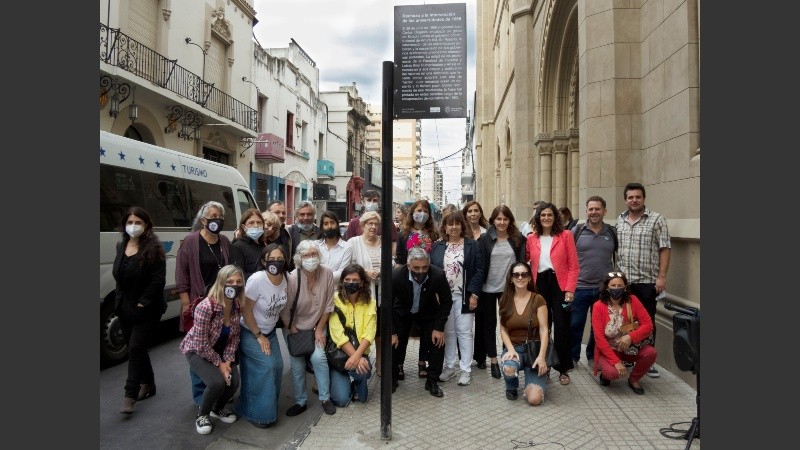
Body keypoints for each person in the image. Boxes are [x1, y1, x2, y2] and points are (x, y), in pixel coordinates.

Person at [176, 200, 231, 405]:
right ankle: (201, 398)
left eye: (219, 216)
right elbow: (181, 273)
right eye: (212, 216)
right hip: (198, 305)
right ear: (203, 220)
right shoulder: (190, 241)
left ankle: (216, 394)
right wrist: (185, 303)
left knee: (216, 344)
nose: (216, 220)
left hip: (220, 305)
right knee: (198, 348)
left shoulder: (225, 241)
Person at [113, 206, 167, 414]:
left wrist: (143, 302)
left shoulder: (154, 249)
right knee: (137, 348)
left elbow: (157, 281)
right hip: (124, 308)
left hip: (147, 309)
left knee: (135, 349)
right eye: (130, 222)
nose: (133, 226)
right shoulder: (122, 245)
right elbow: (119, 276)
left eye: (138, 223)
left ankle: (130, 395)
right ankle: (149, 384)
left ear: (146, 226)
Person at [615, 182, 671, 379]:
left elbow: (665, 248)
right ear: (626, 200)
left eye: (638, 197)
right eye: (630, 197)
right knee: (625, 321)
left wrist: (661, 277)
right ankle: (627, 356)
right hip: (624, 283)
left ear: (644, 199)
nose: (634, 200)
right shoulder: (619, 220)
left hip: (647, 281)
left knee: (647, 321)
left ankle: (647, 360)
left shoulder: (657, 220)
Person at [179, 265, 243, 434]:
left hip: (221, 350)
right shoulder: (206, 306)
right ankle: (202, 414)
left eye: (238, 282)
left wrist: (228, 360)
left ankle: (217, 408)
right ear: (221, 283)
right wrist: (220, 364)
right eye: (230, 282)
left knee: (233, 381)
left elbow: (234, 336)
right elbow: (200, 344)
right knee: (216, 382)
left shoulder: (236, 305)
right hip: (197, 350)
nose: (234, 285)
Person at [280, 240, 337, 416]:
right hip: (295, 326)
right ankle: (300, 401)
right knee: (297, 365)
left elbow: (328, 305)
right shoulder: (292, 278)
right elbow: (285, 308)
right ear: (299, 258)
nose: (311, 258)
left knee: (319, 359)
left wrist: (319, 329)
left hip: (317, 326)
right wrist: (291, 327)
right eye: (306, 255)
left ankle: (325, 398)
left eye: (314, 254)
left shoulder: (327, 273)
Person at [525, 201, 579, 385]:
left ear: (555, 217)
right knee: (542, 326)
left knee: (563, 327)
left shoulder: (566, 236)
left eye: (549, 215)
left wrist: (570, 290)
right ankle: (544, 364)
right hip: (539, 284)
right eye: (543, 215)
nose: (546, 218)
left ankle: (563, 368)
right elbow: (527, 263)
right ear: (538, 218)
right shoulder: (531, 238)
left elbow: (573, 266)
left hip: (559, 283)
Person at [237, 244, 290, 428]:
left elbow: (283, 308)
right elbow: (245, 310)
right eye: (271, 259)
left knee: (278, 367)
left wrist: (290, 326)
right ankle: (256, 413)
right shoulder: (257, 280)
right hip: (250, 330)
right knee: (266, 367)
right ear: (263, 261)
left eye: (280, 259)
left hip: (269, 331)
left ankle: (268, 409)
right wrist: (258, 335)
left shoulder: (286, 279)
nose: (276, 262)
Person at [430, 210, 485, 386]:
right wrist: (435, 294)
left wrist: (474, 294)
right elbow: (432, 271)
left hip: (464, 296)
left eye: (457, 223)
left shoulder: (472, 245)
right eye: (450, 224)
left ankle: (466, 369)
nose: (454, 227)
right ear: (444, 227)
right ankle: (449, 367)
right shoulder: (438, 246)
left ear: (462, 226)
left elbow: (479, 270)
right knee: (448, 332)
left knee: (465, 332)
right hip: (443, 299)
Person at [390, 247, 453, 397]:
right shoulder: (396, 276)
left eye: (425, 267)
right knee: (393, 343)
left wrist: (439, 328)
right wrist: (391, 332)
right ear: (408, 264)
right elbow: (386, 306)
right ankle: (392, 378)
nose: (421, 271)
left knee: (437, 342)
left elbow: (446, 301)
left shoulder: (437, 274)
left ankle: (432, 380)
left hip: (427, 312)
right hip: (402, 312)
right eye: (416, 268)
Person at [475, 204, 526, 379]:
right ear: (493, 221)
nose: (502, 222)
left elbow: (521, 264)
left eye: (505, 219)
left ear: (510, 220)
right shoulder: (484, 239)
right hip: (487, 289)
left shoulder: (518, 238)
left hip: (509, 290)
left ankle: (509, 357)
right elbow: (480, 266)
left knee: (509, 324)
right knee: (489, 325)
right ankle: (494, 360)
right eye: (499, 219)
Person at [569, 196, 617, 365]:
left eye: (597, 209)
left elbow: (617, 257)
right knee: (575, 324)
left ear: (604, 211)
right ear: (587, 211)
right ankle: (573, 356)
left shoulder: (612, 232)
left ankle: (592, 355)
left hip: (604, 289)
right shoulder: (577, 231)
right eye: (591, 209)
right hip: (580, 287)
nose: (594, 212)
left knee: (600, 326)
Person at [395, 199, 440, 378]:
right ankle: (399, 363)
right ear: (412, 212)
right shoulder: (403, 233)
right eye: (418, 210)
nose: (421, 213)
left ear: (429, 214)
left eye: (424, 210)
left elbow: (436, 258)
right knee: (403, 327)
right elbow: (399, 258)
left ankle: (423, 362)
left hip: (428, 283)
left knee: (426, 327)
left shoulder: (433, 234)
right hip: (407, 282)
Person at [591, 271, 657, 395]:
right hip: (609, 349)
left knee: (651, 353)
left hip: (629, 347)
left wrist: (630, 337)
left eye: (620, 286)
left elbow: (648, 325)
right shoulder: (598, 306)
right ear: (606, 287)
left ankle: (634, 379)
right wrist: (616, 362)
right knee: (613, 373)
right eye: (613, 285)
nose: (617, 289)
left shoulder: (633, 301)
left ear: (625, 287)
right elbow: (599, 338)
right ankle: (605, 375)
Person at [497, 262, 549, 405]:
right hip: (515, 348)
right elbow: (503, 329)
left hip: (535, 352)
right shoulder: (505, 300)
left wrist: (542, 357)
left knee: (535, 400)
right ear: (511, 279)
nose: (520, 277)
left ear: (530, 278)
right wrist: (511, 349)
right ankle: (511, 386)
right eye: (516, 275)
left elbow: (544, 329)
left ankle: (536, 379)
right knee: (509, 367)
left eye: (524, 274)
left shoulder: (538, 299)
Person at [328, 264, 377, 406]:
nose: (351, 283)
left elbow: (370, 333)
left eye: (355, 280)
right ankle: (343, 378)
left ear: (362, 283)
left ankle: (357, 379)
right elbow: (338, 334)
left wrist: (357, 357)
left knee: (362, 390)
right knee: (342, 400)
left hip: (359, 352)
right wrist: (356, 358)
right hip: (338, 354)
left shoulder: (370, 302)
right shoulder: (334, 300)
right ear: (342, 281)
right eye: (347, 279)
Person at [347, 211, 385, 373]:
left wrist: (382, 271)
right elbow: (347, 268)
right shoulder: (353, 243)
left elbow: (390, 263)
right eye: (370, 223)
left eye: (376, 224)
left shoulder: (383, 242)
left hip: (381, 292)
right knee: (362, 329)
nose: (373, 227)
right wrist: (365, 274)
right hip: (361, 294)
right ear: (362, 225)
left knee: (381, 331)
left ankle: (380, 364)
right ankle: (360, 362)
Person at [344, 190, 398, 255]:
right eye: (369, 200)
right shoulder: (354, 223)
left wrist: (391, 259)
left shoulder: (387, 222)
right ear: (363, 202)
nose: (372, 203)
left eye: (375, 200)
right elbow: (349, 245)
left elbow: (394, 242)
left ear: (379, 203)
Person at [229, 208, 266, 281]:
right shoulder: (238, 246)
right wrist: (262, 277)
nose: (256, 225)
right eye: (251, 223)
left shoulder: (263, 245)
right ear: (243, 227)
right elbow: (239, 275)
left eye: (259, 222)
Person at [316, 210, 353, 282]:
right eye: (326, 224)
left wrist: (321, 278)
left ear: (337, 225)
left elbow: (342, 272)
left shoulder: (346, 247)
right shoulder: (315, 246)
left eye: (332, 223)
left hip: (336, 290)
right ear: (322, 227)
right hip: (316, 289)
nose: (329, 226)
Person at [266, 200, 293, 270]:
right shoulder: (262, 233)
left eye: (283, 213)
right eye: (277, 212)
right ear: (268, 213)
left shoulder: (286, 230)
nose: (281, 215)